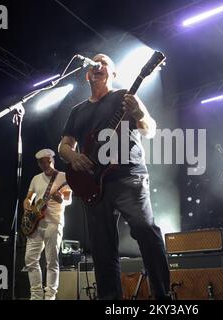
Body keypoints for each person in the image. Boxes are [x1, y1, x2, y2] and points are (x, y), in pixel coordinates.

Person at [59, 54, 171, 300]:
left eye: (104, 62)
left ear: (114, 73)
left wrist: (139, 114)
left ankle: (163, 297)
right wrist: (74, 157)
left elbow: (150, 130)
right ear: (87, 74)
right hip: (93, 184)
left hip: (128, 176)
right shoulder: (77, 111)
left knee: (146, 232)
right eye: (94, 63)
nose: (97, 64)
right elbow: (64, 146)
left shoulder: (123, 97)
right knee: (102, 249)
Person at [23, 148, 72, 300]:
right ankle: (36, 295)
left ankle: (50, 296)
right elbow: (28, 198)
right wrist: (27, 206)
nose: (46, 165)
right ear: (38, 164)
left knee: (51, 261)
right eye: (42, 163)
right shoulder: (36, 179)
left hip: (54, 223)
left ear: (53, 160)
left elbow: (69, 199)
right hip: (36, 224)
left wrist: (61, 200)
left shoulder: (64, 177)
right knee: (30, 259)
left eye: (48, 161)